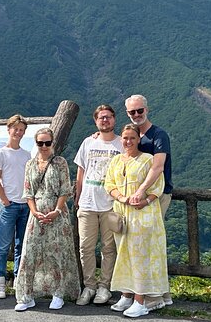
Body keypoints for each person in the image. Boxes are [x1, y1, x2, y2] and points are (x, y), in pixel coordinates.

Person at [104, 123, 169, 318]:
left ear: (139, 139)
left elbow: (159, 186)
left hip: (143, 215)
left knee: (140, 257)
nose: (128, 141)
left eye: (132, 138)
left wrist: (145, 200)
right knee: (123, 254)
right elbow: (109, 184)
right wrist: (122, 198)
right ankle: (126, 294)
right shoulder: (116, 161)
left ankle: (140, 301)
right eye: (125, 138)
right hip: (122, 214)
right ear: (120, 139)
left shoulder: (147, 159)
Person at [14, 128, 80, 311]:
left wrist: (57, 210)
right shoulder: (30, 164)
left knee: (57, 253)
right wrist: (34, 212)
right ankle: (27, 295)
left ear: (52, 143)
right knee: (30, 253)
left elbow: (65, 190)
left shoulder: (60, 162)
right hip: (36, 215)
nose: (44, 146)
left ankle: (58, 293)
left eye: (47, 142)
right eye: (40, 143)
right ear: (36, 144)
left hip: (57, 214)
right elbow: (28, 192)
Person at [125, 94, 174, 308]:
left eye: (139, 111)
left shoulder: (159, 135)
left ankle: (157, 295)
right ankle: (151, 294)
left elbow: (157, 166)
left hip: (156, 196)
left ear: (147, 109)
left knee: (152, 244)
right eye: (132, 112)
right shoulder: (133, 135)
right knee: (141, 245)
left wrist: (142, 191)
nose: (136, 115)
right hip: (137, 199)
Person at [73, 104, 122, 306]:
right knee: (86, 247)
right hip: (87, 203)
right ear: (96, 121)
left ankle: (105, 287)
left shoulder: (121, 144)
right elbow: (81, 171)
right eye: (101, 117)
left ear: (114, 119)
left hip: (111, 204)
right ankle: (89, 286)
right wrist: (77, 195)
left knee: (109, 248)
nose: (105, 120)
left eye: (109, 117)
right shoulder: (88, 142)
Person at [0, 114, 31, 299]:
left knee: (21, 245)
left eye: (21, 129)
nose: (18, 132)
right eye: (15, 129)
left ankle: (17, 279)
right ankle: (0, 282)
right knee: (3, 246)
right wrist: (5, 201)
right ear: (9, 129)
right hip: (9, 206)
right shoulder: (0, 153)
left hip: (25, 205)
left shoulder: (26, 154)